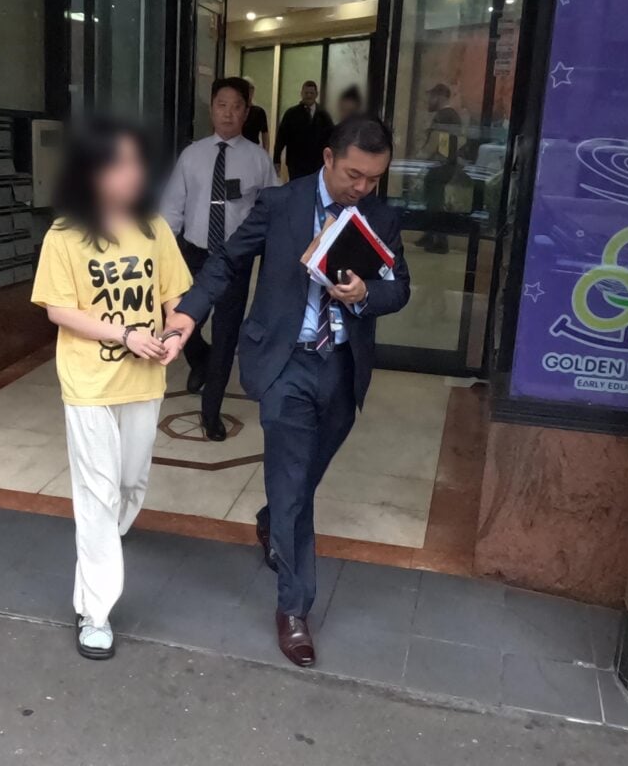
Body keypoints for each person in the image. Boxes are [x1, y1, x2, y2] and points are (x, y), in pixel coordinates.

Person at [162, 116, 411, 667]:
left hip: (342, 367)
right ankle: (294, 608)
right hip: (286, 363)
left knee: (301, 478)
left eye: (374, 179)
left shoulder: (380, 216)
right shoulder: (281, 204)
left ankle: (271, 519)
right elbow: (228, 260)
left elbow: (400, 289)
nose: (362, 188)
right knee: (295, 484)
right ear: (328, 158)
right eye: (353, 175)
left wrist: (367, 293)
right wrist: (189, 312)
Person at [30, 118, 191, 660]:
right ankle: (94, 609)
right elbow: (58, 309)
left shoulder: (154, 229)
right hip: (89, 383)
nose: (133, 173)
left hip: (144, 380)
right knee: (97, 493)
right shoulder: (64, 235)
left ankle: (107, 536)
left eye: (136, 163)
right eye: (120, 163)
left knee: (129, 481)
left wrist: (174, 334)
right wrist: (124, 334)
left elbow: (175, 299)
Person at [161, 76, 278, 441]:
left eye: (236, 107)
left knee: (226, 335)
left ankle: (211, 411)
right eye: (222, 105)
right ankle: (199, 358)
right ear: (211, 109)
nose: (228, 113)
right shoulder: (192, 155)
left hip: (235, 259)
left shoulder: (258, 160)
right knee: (184, 321)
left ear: (247, 112)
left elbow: (273, 210)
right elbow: (172, 207)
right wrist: (160, 250)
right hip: (194, 253)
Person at [417, 83, 462, 254]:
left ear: (441, 97)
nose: (429, 100)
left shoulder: (443, 116)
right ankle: (430, 235)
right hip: (447, 164)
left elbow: (437, 141)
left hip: (440, 164)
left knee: (434, 202)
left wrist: (423, 156)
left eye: (432, 96)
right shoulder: (453, 116)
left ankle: (440, 241)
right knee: (434, 199)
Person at [273, 80, 334, 180]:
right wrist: (276, 159)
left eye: (311, 93)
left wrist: (331, 159)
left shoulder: (324, 115)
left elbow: (331, 139)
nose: (309, 96)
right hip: (296, 163)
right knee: (297, 187)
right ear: (301, 94)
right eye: (306, 93)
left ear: (316, 94)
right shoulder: (291, 114)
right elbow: (281, 138)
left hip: (317, 163)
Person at [241, 77, 270, 153]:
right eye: (245, 89)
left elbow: (265, 134)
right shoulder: (236, 111)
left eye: (251, 89)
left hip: (253, 150)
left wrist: (265, 153)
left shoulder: (259, 112)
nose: (248, 92)